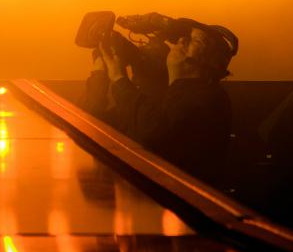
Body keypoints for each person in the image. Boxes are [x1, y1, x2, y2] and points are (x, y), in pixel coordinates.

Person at [86, 20, 235, 182]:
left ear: (211, 63)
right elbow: (91, 124)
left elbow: (153, 133)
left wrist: (118, 77)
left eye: (196, 40)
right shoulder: (165, 97)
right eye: (185, 37)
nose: (181, 41)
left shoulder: (208, 97)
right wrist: (99, 71)